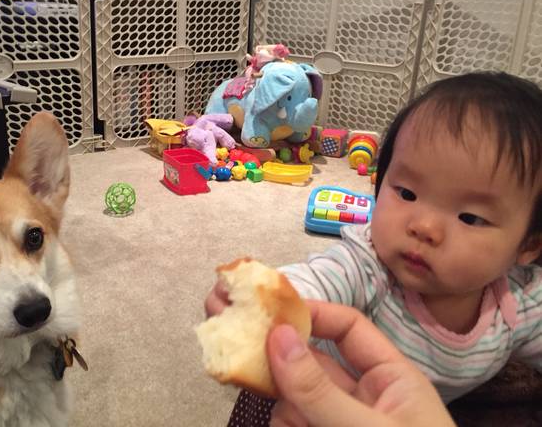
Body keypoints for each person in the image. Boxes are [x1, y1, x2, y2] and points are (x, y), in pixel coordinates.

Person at [205, 71, 542, 426]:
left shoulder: (521, 301)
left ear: (528, 246)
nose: (424, 227)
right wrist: (268, 300)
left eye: (470, 217)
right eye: (407, 194)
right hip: (324, 397)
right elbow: (320, 279)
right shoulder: (370, 263)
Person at [266, 300, 456, 427]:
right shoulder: (368, 262)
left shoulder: (487, 337)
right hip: (290, 392)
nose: (426, 236)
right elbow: (325, 274)